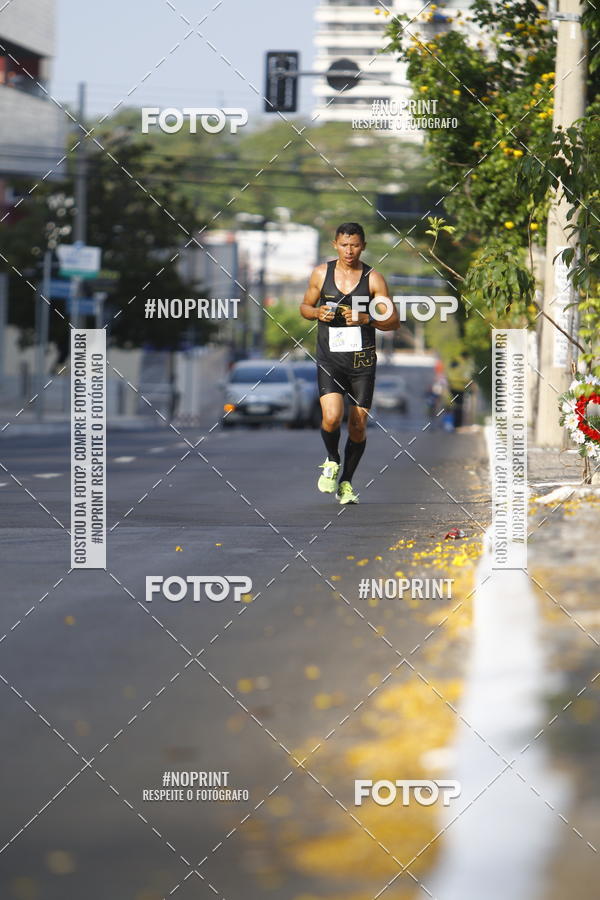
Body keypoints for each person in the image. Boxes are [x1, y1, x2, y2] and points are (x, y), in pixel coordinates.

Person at [300, 222, 399, 504]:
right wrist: (317, 312)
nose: (349, 251)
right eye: (344, 245)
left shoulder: (374, 279)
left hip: (361, 361)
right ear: (335, 245)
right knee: (331, 417)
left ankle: (346, 482)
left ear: (363, 246)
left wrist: (367, 318)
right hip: (330, 359)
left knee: (357, 425)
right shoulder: (321, 273)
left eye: (354, 245)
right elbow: (304, 307)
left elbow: (393, 322)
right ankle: (332, 459)